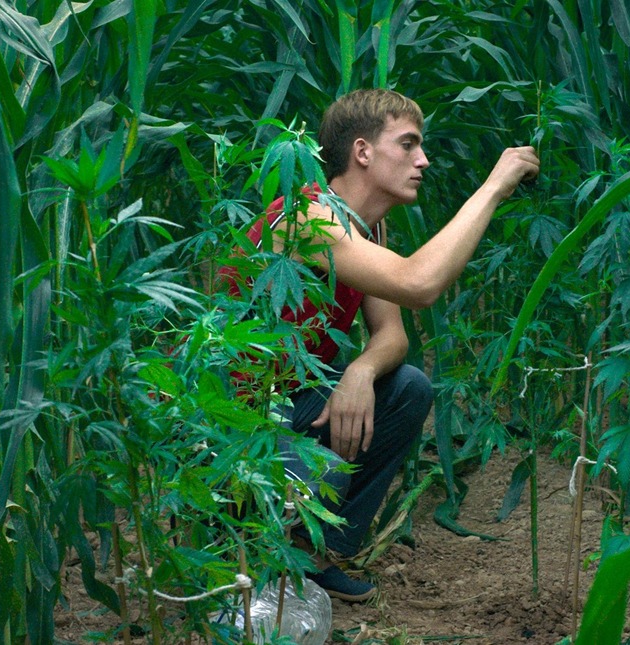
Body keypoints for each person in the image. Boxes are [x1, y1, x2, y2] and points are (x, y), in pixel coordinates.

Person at [231, 89, 539, 602]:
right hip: (235, 419)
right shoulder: (308, 216)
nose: (423, 160)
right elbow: (418, 284)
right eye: (409, 144)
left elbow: (392, 333)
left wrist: (360, 371)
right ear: (363, 152)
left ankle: (312, 555)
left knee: (407, 388)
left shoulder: (366, 226)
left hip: (289, 402)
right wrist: (493, 188)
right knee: (317, 466)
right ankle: (244, 545)